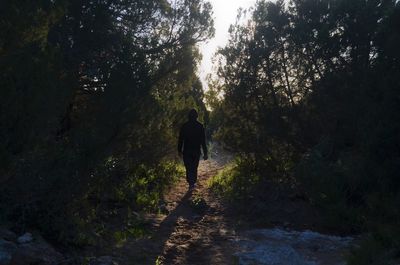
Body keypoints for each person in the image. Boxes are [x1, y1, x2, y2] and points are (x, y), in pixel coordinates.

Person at [178, 109, 208, 190]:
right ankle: (192, 182)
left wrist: (179, 150)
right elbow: (203, 141)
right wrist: (205, 153)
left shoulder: (184, 126)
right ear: (197, 116)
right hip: (196, 150)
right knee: (194, 167)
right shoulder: (200, 126)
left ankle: (190, 183)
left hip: (187, 150)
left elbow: (180, 139)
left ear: (188, 116)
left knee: (188, 167)